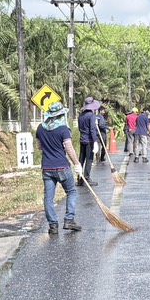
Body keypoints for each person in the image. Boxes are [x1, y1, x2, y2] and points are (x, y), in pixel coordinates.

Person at [35, 100, 80, 234]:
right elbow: (69, 148)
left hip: (47, 168)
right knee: (71, 191)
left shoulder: (40, 128)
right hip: (62, 167)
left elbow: (39, 146)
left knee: (49, 197)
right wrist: (77, 164)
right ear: (61, 115)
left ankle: (53, 225)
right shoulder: (63, 129)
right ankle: (69, 219)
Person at [78, 98, 101, 184]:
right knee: (89, 159)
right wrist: (95, 141)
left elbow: (80, 128)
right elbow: (92, 129)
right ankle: (86, 178)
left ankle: (80, 178)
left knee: (81, 159)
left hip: (82, 139)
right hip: (89, 140)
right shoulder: (92, 116)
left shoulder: (81, 115)